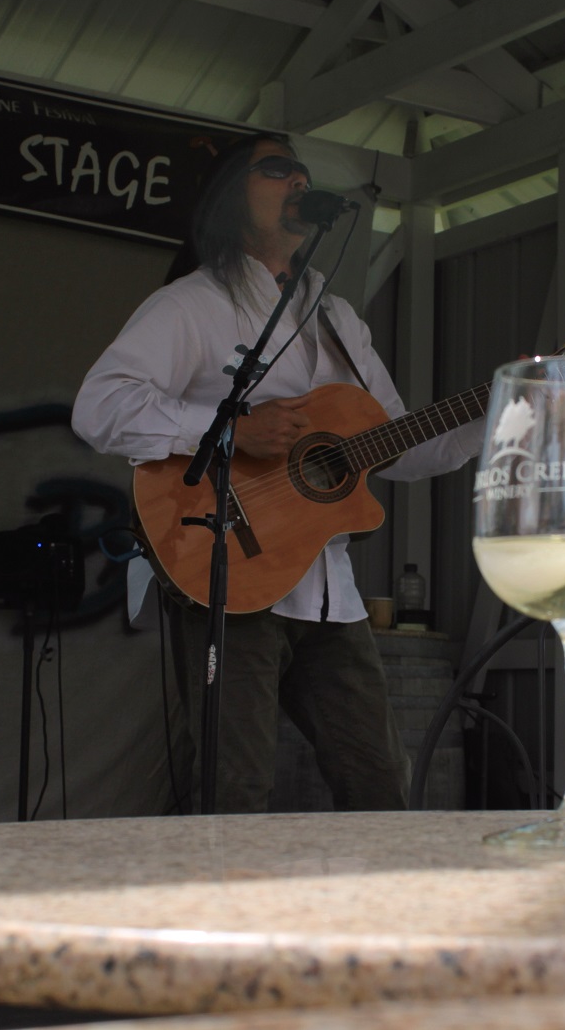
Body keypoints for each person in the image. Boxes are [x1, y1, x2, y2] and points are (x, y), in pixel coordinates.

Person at [72, 132, 480, 814]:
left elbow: (398, 446)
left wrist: (501, 408)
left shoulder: (340, 320)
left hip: (330, 594)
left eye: (302, 172)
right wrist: (230, 427)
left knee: (381, 784)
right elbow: (99, 407)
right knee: (235, 789)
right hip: (226, 572)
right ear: (230, 196)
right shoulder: (192, 304)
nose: (298, 181)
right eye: (277, 169)